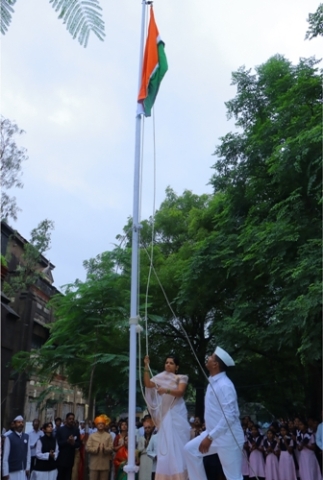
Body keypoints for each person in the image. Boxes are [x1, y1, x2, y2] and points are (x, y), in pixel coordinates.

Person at [183, 346, 244, 480]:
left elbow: (230, 416)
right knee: (190, 450)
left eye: (211, 357)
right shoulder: (213, 383)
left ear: (215, 364)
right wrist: (210, 435)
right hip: (213, 434)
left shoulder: (225, 385)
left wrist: (210, 437)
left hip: (229, 438)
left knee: (233, 477)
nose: (208, 358)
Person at [144, 354, 190, 480]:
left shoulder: (181, 378)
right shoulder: (160, 378)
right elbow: (148, 384)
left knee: (179, 450)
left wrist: (166, 390)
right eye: (166, 362)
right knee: (166, 451)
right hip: (165, 418)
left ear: (177, 366)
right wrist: (146, 366)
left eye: (171, 363)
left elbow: (180, 392)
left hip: (176, 416)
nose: (168, 365)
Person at [2, 415, 31, 480]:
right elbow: (5, 456)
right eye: (18, 422)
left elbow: (28, 453)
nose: (21, 424)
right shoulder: (9, 437)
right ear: (14, 424)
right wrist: (5, 472)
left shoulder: (26, 436)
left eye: (22, 422)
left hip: (23, 469)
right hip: (12, 470)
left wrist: (28, 468)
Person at [85, 415, 114, 480]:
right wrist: (96, 449)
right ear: (96, 425)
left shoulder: (108, 436)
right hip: (94, 464)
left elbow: (111, 447)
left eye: (102, 424)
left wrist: (105, 449)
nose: (100, 425)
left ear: (104, 425)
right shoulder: (92, 436)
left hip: (105, 464)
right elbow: (87, 448)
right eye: (99, 424)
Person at [56, 412, 80, 480]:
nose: (71, 420)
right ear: (66, 419)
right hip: (61, 458)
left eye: (72, 419)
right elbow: (57, 443)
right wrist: (67, 441)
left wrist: (73, 443)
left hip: (71, 458)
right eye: (70, 419)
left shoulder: (76, 430)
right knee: (60, 476)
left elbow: (78, 444)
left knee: (68, 476)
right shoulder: (60, 430)